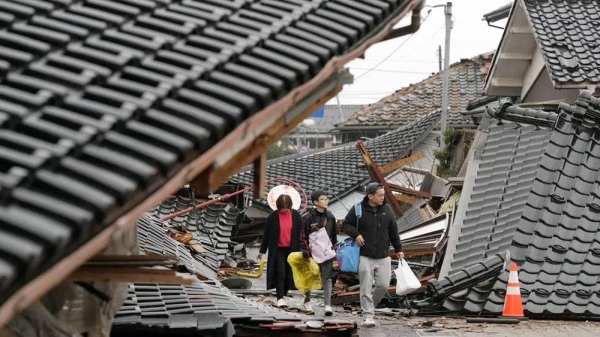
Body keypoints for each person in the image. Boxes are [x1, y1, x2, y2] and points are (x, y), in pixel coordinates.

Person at [342, 183, 404, 327]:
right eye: (380, 195)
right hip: (365, 254)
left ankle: (370, 306)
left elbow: (393, 231)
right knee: (365, 287)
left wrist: (398, 249)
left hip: (383, 255)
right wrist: (356, 234)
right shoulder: (358, 209)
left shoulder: (387, 210)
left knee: (383, 285)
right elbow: (346, 225)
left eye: (383, 195)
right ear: (370, 196)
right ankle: (368, 315)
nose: (383, 198)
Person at [257, 194, 303, 307]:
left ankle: (285, 292)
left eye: (287, 208)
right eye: (282, 208)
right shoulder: (273, 216)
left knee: (289, 272)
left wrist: (304, 249)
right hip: (278, 249)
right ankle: (280, 297)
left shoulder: (296, 216)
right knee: (280, 272)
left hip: (292, 249)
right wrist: (262, 250)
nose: (284, 210)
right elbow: (266, 234)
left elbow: (302, 234)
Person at [300, 190, 337, 316]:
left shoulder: (331, 217)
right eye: (322, 199)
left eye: (326, 199)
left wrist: (334, 249)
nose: (326, 201)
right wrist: (306, 252)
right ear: (315, 202)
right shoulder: (307, 217)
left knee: (327, 278)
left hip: (327, 252)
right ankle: (307, 301)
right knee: (310, 277)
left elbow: (333, 235)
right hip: (311, 253)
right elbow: (302, 236)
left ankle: (327, 305)